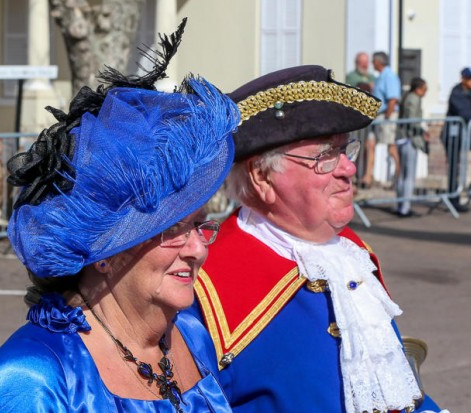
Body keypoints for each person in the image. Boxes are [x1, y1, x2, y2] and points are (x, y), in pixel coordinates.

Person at [0, 22, 241, 412]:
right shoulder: (33, 376)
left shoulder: (191, 334)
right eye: (173, 230)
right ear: (104, 252)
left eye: (199, 225)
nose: (198, 249)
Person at [187, 65, 445, 412]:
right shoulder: (204, 280)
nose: (349, 169)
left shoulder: (352, 254)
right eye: (326, 156)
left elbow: (398, 389)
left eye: (345, 150)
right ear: (262, 177)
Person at [445, 67, 471, 211]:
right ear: (463, 79)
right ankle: (453, 198)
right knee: (453, 166)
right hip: (454, 134)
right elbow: (464, 112)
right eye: (470, 78)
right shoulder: (456, 93)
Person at [362, 51, 402, 189]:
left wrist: (387, 116)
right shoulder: (380, 76)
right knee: (370, 144)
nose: (372, 64)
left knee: (391, 146)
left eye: (373, 61)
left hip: (386, 115)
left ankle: (398, 177)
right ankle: (368, 176)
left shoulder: (389, 76)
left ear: (379, 62)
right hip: (377, 116)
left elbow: (393, 99)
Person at [396, 77, 429, 217]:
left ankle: (401, 206)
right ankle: (405, 208)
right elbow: (412, 121)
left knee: (403, 175)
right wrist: (422, 130)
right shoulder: (413, 99)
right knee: (408, 176)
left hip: (403, 138)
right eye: (425, 89)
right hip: (409, 139)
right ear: (418, 89)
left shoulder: (407, 97)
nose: (426, 92)